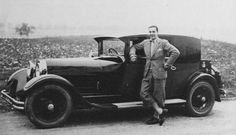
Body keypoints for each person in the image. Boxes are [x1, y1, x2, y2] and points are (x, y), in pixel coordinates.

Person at [129, 25, 180, 125]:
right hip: (148, 72)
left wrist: (168, 64)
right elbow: (133, 47)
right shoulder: (145, 42)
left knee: (159, 96)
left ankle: (156, 117)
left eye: (153, 31)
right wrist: (132, 55)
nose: (152, 33)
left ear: (157, 32)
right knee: (143, 93)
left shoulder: (163, 42)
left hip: (159, 72)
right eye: (150, 32)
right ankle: (160, 111)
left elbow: (176, 52)